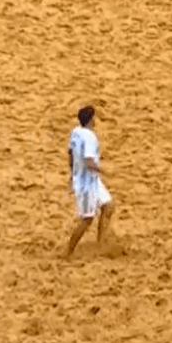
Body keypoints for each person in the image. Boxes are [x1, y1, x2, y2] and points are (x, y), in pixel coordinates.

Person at [64, 105, 116, 259]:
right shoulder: (90, 137)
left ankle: (101, 244)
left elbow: (71, 154)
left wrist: (72, 173)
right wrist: (105, 170)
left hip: (87, 179)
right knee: (87, 220)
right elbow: (88, 161)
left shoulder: (75, 132)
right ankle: (68, 251)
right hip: (87, 184)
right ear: (91, 119)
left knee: (109, 206)